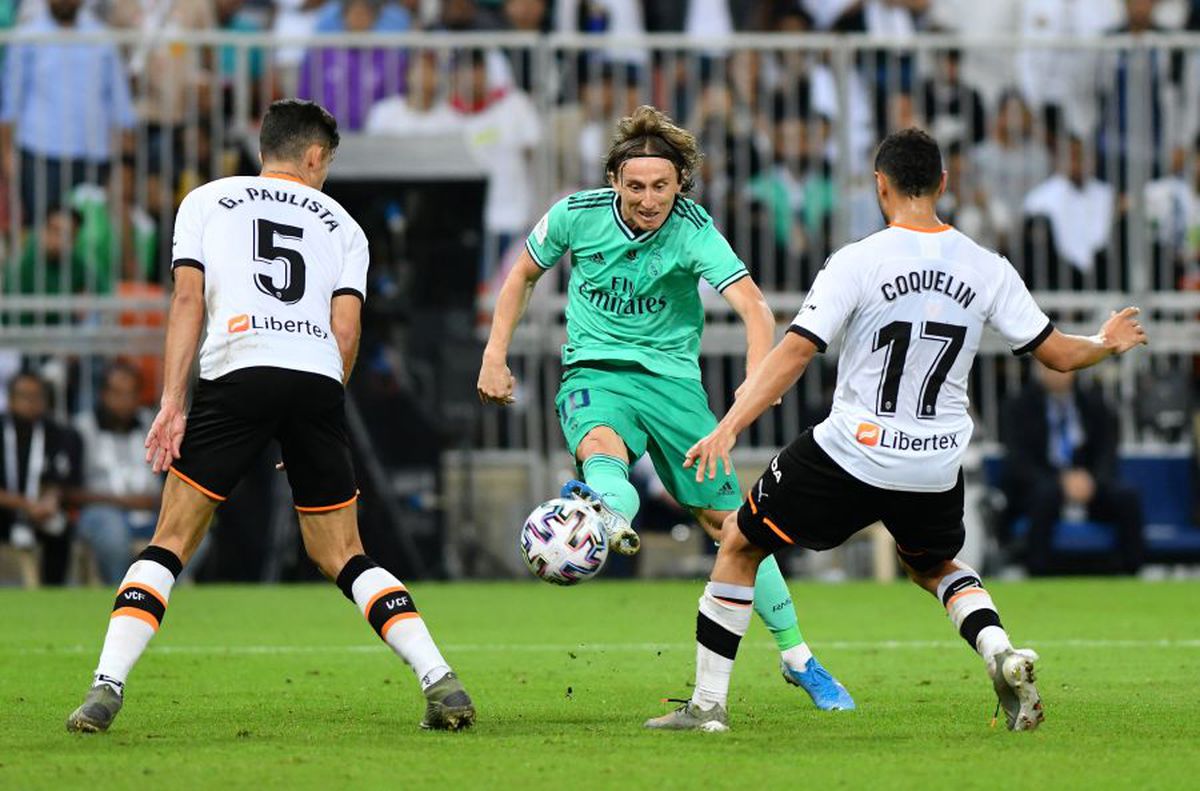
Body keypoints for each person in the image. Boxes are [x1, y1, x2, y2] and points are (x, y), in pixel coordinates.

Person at [647, 128, 1148, 733]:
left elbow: (795, 353)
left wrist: (729, 425)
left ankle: (706, 706)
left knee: (740, 543)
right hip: (935, 461)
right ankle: (1000, 652)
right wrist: (1107, 342)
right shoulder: (987, 267)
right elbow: (1061, 356)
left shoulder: (858, 260)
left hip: (853, 451)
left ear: (879, 185)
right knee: (936, 565)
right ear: (943, 183)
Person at [65, 99, 474, 733]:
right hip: (313, 379)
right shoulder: (344, 223)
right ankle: (440, 679)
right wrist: (316, 415)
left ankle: (105, 687)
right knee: (343, 552)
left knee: (170, 540)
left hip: (238, 370)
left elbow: (187, 299)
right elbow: (346, 329)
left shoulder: (206, 199)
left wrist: (173, 402)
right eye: (327, 164)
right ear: (314, 157)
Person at [478, 105, 854, 710]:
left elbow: (755, 308)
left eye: (660, 187)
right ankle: (602, 513)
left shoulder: (693, 228)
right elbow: (521, 274)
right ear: (614, 183)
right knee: (601, 448)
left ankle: (798, 659)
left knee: (735, 530)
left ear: (680, 185)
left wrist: (758, 376)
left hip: (675, 388)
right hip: (595, 373)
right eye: (635, 187)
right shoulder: (575, 216)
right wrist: (495, 354)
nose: (647, 199)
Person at [1001, 362, 1145, 576]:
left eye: (1063, 367)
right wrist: (1061, 481)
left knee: (1127, 497)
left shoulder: (1093, 403)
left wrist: (1092, 480)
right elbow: (1018, 460)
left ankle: (1130, 570)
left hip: (1089, 482)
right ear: (1038, 370)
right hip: (1043, 483)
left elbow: (1107, 450)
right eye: (1050, 367)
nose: (1058, 373)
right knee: (1044, 496)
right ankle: (1039, 572)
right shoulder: (1019, 406)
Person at [72, 363, 161, 585]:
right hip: (102, 511)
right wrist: (121, 502)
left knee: (195, 532)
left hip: (150, 510)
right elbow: (67, 491)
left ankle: (162, 594)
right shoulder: (81, 429)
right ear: (103, 394)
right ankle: (122, 596)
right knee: (114, 535)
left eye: (131, 394)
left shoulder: (153, 425)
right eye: (117, 393)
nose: (124, 401)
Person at [0, 370, 81, 586]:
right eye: (24, 396)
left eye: (37, 397)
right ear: (10, 399)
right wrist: (24, 504)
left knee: (60, 527)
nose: (31, 403)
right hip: (6, 510)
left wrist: (50, 500)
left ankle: (53, 591)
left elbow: (61, 479)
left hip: (40, 512)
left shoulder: (59, 433)